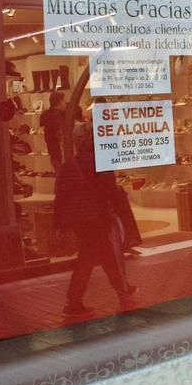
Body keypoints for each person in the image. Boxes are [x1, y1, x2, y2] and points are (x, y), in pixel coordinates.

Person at [56, 123, 136, 317]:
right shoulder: (101, 162)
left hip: (80, 219)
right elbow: (108, 191)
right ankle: (73, 302)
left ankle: (121, 289)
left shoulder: (69, 165)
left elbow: (60, 196)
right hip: (97, 217)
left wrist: (59, 225)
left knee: (102, 255)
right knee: (91, 258)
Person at [39, 91, 68, 169]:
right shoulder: (62, 116)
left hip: (53, 152)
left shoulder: (45, 114)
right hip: (62, 152)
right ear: (60, 102)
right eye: (64, 101)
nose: (65, 103)